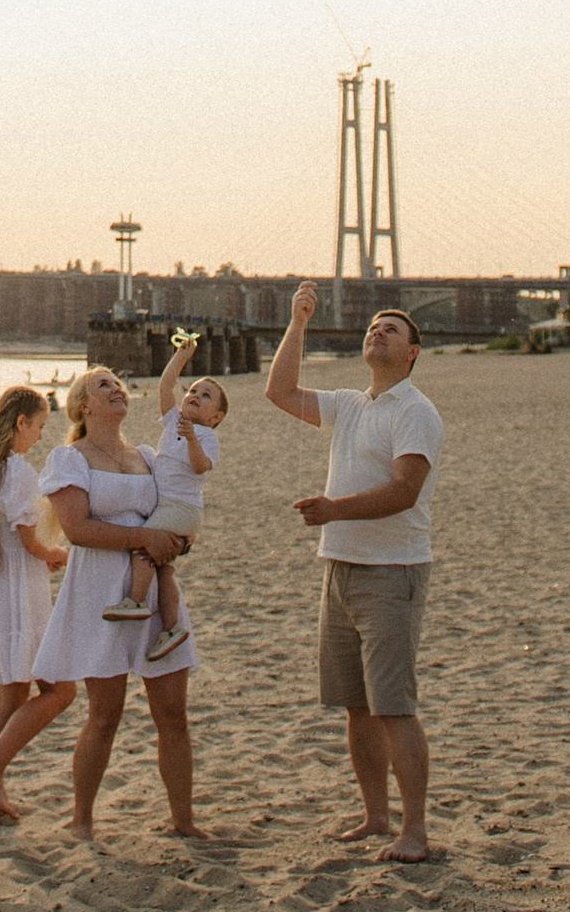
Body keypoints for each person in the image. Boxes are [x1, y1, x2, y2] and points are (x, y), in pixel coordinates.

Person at [266, 281, 443, 866]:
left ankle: (413, 830)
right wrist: (299, 321)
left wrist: (334, 509)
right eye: (373, 327)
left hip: (392, 572)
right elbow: (281, 390)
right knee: (356, 706)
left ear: (412, 351)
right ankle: (375, 817)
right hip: (339, 568)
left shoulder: (415, 412)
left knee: (394, 704)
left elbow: (405, 490)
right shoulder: (350, 403)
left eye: (391, 329)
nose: (377, 332)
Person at [0, 364, 197, 837]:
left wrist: (178, 542)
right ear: (83, 405)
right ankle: (82, 818)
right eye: (105, 384)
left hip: (154, 583)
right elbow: (77, 528)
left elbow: (179, 506)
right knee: (104, 714)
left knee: (173, 713)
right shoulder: (70, 459)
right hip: (100, 588)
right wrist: (144, 535)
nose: (118, 388)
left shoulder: (146, 455)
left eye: (120, 383)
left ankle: (184, 822)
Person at [0, 385, 77, 822]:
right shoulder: (18, 471)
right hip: (18, 595)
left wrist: (31, 556)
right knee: (61, 690)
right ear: (21, 423)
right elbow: (29, 538)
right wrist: (55, 554)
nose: (41, 436)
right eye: (40, 426)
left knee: (10, 695)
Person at [104, 338, 226, 663]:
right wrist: (180, 357)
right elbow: (165, 388)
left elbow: (200, 468)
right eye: (193, 391)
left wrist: (190, 440)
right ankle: (171, 628)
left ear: (216, 417)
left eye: (206, 396)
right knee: (165, 570)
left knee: (144, 550)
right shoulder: (174, 420)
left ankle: (136, 601)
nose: (195, 396)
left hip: (181, 509)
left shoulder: (206, 436)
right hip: (171, 509)